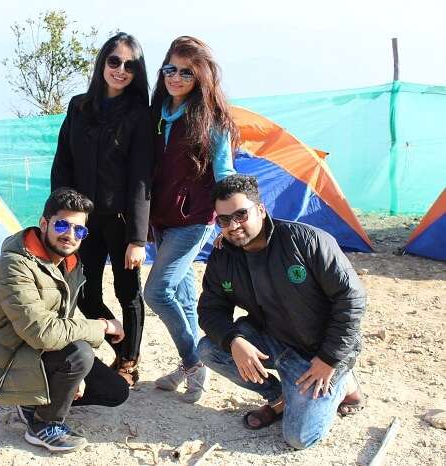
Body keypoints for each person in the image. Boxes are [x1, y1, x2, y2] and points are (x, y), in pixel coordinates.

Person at [197, 174, 366, 449]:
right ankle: (280, 398)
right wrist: (234, 341)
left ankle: (345, 385)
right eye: (224, 220)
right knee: (208, 350)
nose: (233, 226)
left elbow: (351, 299)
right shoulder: (223, 255)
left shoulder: (305, 241)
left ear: (261, 210)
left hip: (318, 352)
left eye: (241, 215)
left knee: (299, 438)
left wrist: (330, 358)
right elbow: (210, 309)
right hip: (272, 339)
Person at [0, 188, 129, 453]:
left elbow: (60, 324)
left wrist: (70, 379)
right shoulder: (13, 265)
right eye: (63, 224)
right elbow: (42, 333)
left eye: (79, 230)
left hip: (32, 352)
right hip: (5, 364)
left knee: (115, 391)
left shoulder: (68, 263)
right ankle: (43, 425)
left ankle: (31, 402)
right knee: (80, 353)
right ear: (44, 223)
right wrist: (101, 326)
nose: (70, 235)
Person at [51, 32, 153, 386]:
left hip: (122, 222)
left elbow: (142, 178)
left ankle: (128, 362)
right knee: (85, 293)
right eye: (114, 61)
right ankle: (117, 336)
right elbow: (62, 162)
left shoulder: (141, 114)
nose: (120, 70)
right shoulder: (79, 106)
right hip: (82, 223)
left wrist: (138, 238)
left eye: (129, 65)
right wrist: (59, 216)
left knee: (128, 293)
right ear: (102, 63)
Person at [144, 36, 238, 402]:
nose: (177, 77)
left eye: (186, 72)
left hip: (194, 220)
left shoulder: (211, 120)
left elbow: (224, 173)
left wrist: (229, 222)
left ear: (199, 77)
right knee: (182, 297)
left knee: (156, 291)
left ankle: (193, 362)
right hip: (161, 221)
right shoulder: (157, 113)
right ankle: (194, 364)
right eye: (171, 69)